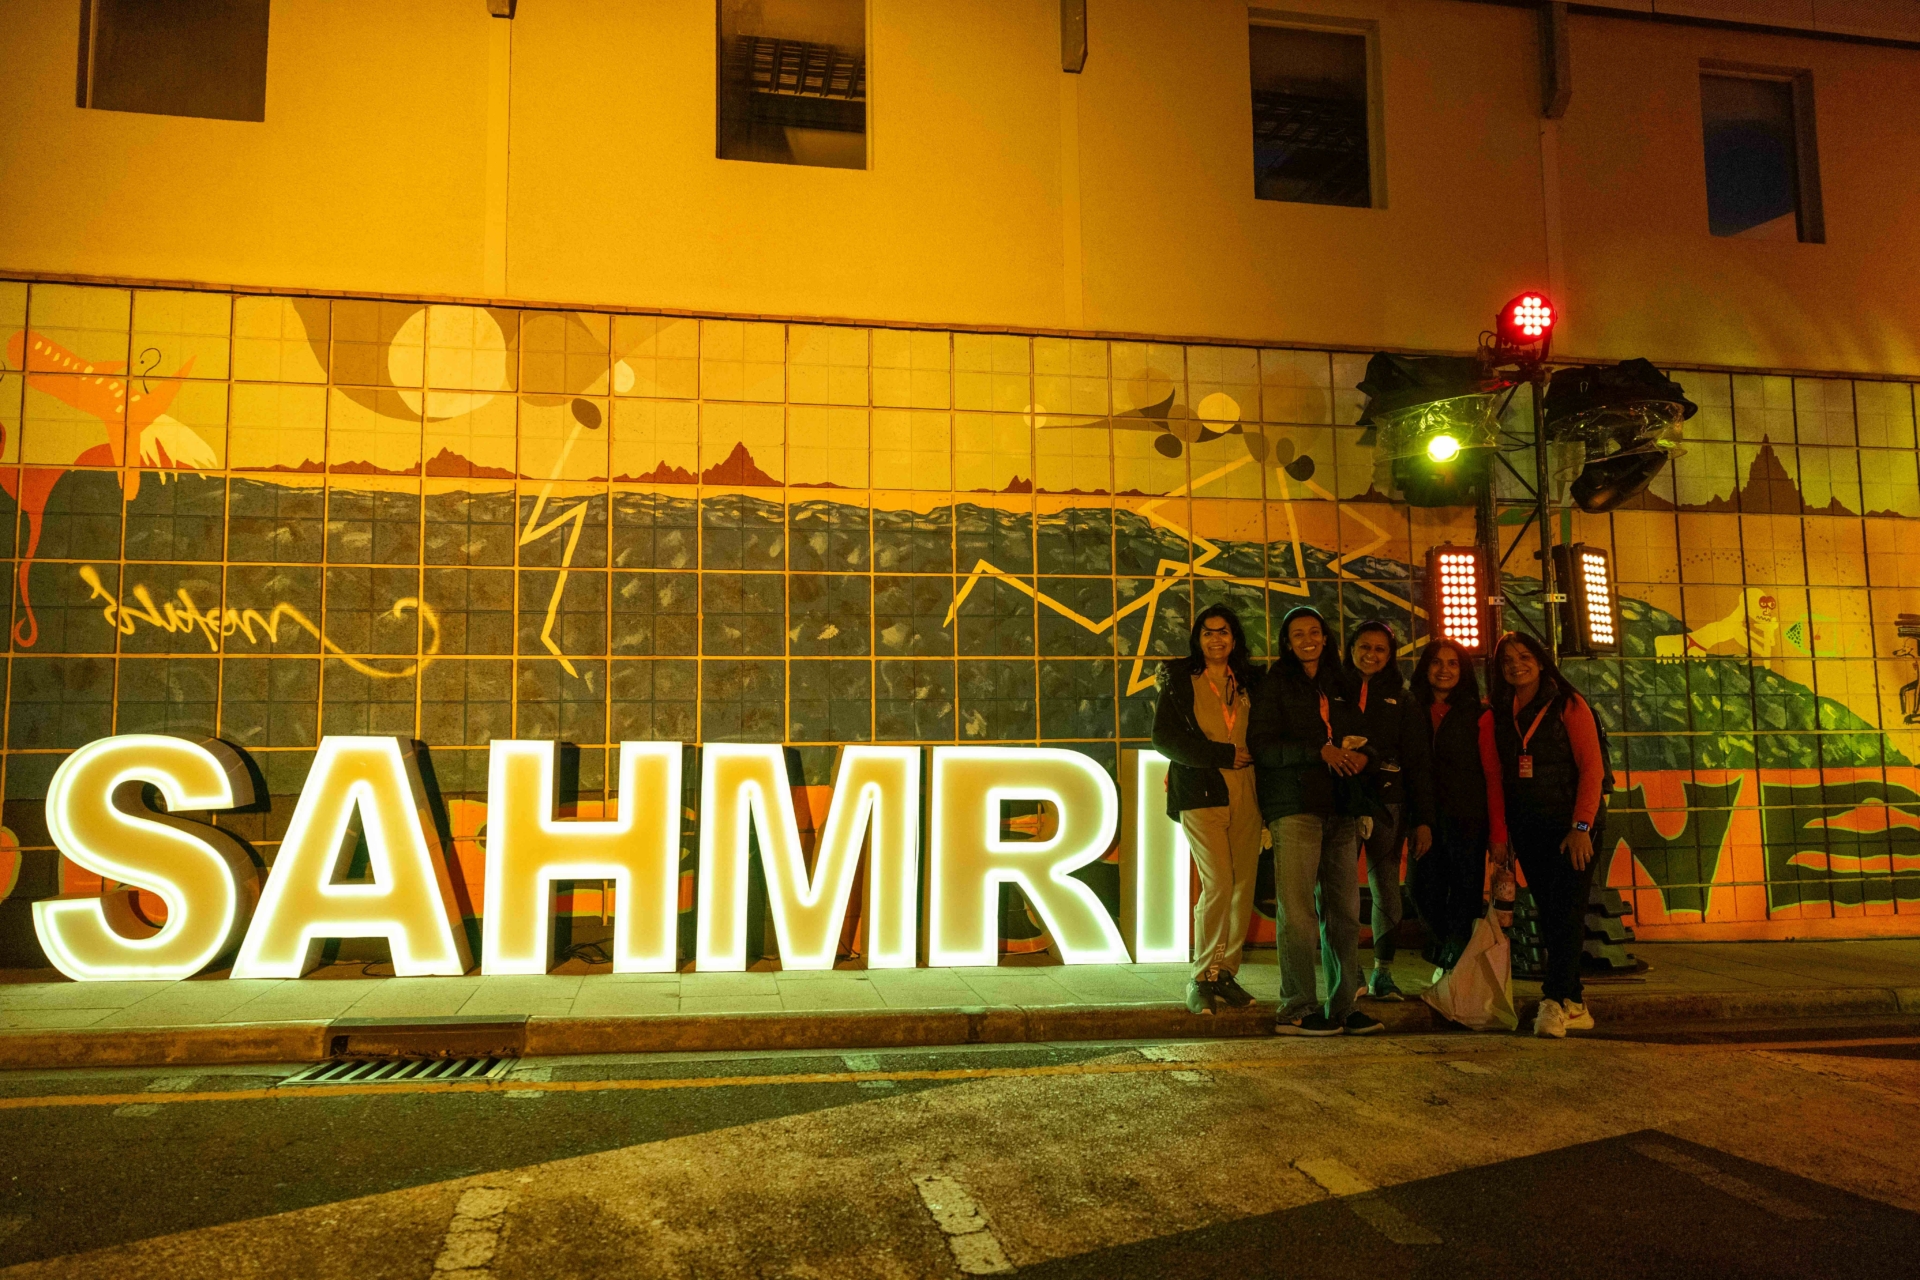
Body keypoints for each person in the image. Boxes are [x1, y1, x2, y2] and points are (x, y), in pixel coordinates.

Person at [1248, 605, 1383, 1036]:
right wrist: (1317, 751)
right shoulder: (1275, 684)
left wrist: (1364, 757)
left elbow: (1368, 738)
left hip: (1341, 809)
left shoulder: (1340, 682)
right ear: (1287, 643)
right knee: (1299, 914)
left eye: (1315, 632)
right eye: (1297, 634)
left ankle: (1344, 1006)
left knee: (1344, 913)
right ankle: (1297, 1007)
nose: (1307, 639)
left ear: (1326, 638)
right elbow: (1263, 747)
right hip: (1295, 809)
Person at [1487, 631, 1608, 1039]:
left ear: (1541, 662)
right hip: (1530, 828)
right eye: (1507, 660)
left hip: (1572, 826)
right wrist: (1501, 837)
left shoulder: (1569, 704)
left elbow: (1592, 769)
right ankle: (1574, 1002)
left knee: (1568, 910)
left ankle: (1553, 1002)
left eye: (1524, 657)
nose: (1515, 665)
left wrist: (1581, 827)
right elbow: (1495, 780)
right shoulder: (1497, 714)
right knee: (1553, 914)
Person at [1151, 605, 1263, 1016]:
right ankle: (1201, 976)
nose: (1216, 639)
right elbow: (1163, 737)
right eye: (1208, 632)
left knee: (1242, 886)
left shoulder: (1250, 681)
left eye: (1224, 632)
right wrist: (1221, 753)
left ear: (1235, 639)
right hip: (1201, 792)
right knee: (1218, 883)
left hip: (1248, 791)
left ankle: (1224, 973)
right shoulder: (1182, 679)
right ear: (1198, 639)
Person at [1344, 620, 1434, 1002]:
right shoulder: (1333, 690)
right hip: (1341, 802)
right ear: (1351, 649)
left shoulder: (1404, 697)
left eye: (1380, 649)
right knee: (1339, 890)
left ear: (1390, 655)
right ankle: (1350, 971)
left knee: (1385, 888)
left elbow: (1418, 763)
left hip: (1390, 803)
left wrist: (1423, 820)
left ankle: (1384, 973)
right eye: (1364, 646)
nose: (1371, 654)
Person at [1406, 639, 1506, 973]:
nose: (1444, 670)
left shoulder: (1480, 715)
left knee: (1464, 898)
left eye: (1453, 664)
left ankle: (1455, 969)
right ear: (1425, 668)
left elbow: (1493, 775)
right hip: (1425, 819)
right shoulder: (1410, 708)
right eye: (1436, 662)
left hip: (1468, 822)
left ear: (1463, 671)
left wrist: (1498, 834)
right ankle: (1445, 953)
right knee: (1421, 890)